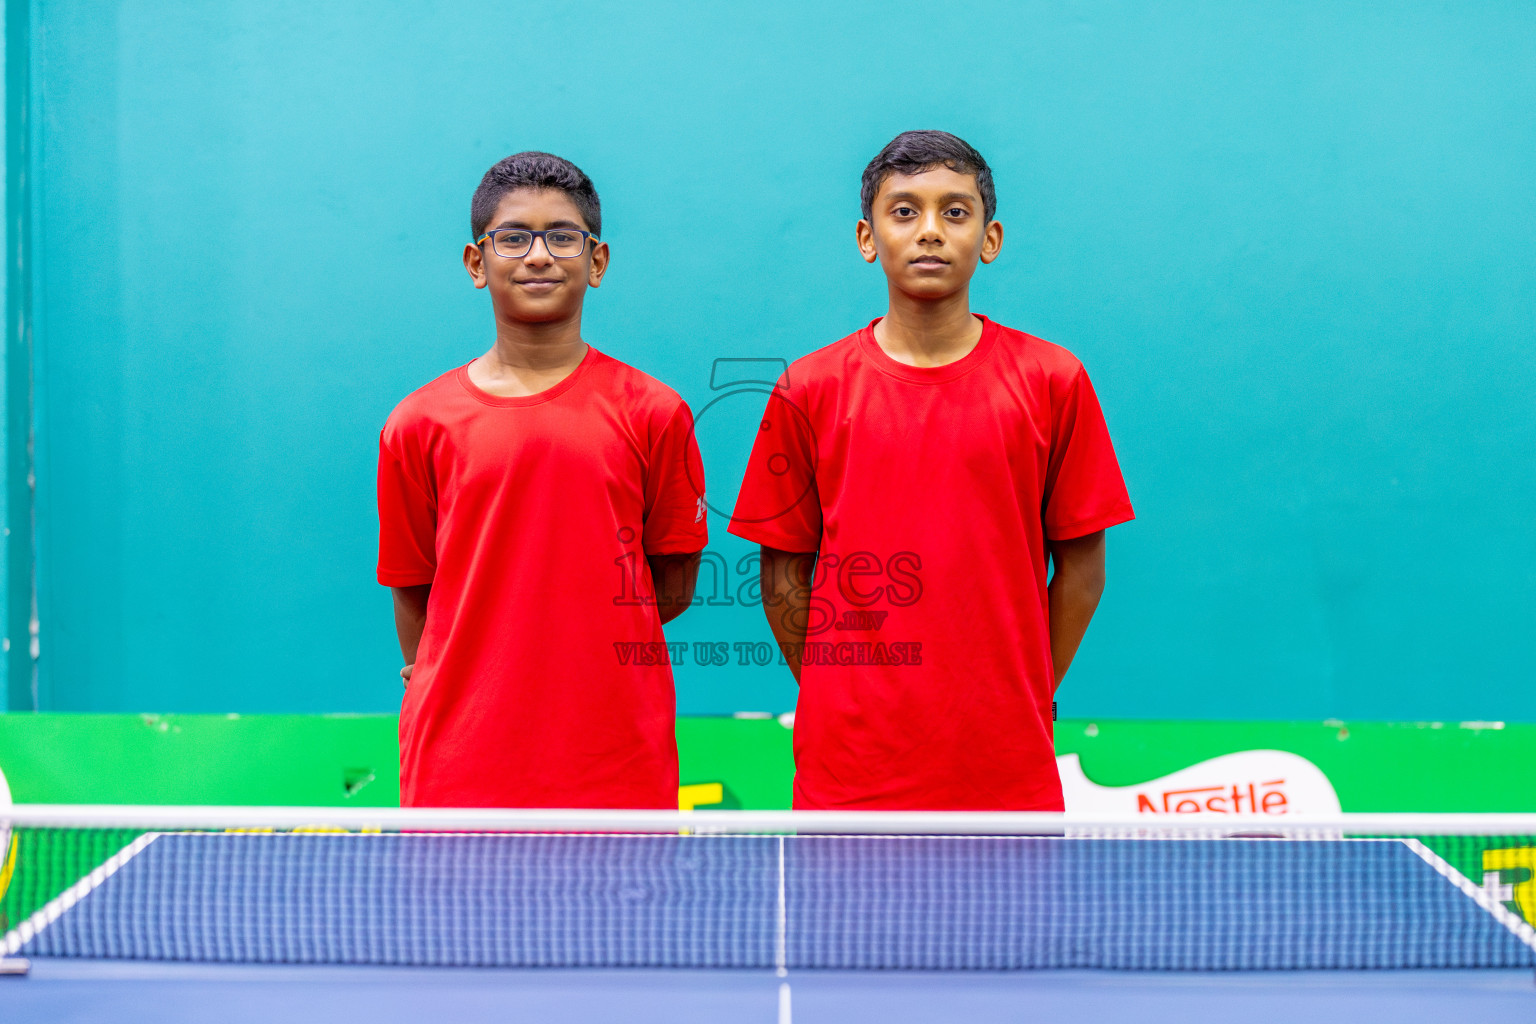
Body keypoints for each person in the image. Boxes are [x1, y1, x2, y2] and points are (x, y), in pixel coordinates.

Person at [730, 131, 1133, 811]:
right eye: (904, 211)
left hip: (1005, 762)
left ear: (990, 237)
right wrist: (838, 695)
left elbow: (1084, 571)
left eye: (954, 211)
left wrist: (1024, 692)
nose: (930, 232)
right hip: (849, 767)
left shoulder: (1053, 380)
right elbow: (783, 575)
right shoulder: (809, 387)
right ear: (867, 238)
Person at [377, 152, 707, 808]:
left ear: (597, 262)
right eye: (513, 237)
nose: (538, 255)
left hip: (616, 759)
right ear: (478, 263)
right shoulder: (417, 423)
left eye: (562, 236)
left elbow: (669, 588)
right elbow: (417, 592)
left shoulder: (655, 412)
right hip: (460, 762)